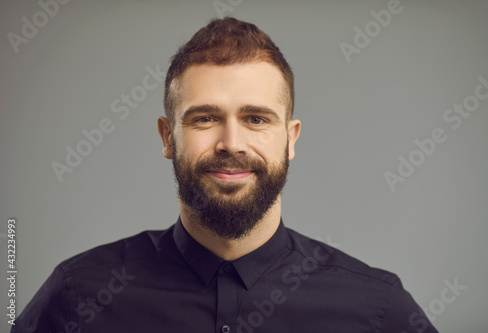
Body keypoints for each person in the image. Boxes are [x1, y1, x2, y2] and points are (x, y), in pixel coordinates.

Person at [13, 17, 438, 333]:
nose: (231, 143)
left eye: (256, 119)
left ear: (290, 139)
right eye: (204, 119)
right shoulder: (76, 296)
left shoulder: (377, 308)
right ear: (167, 137)